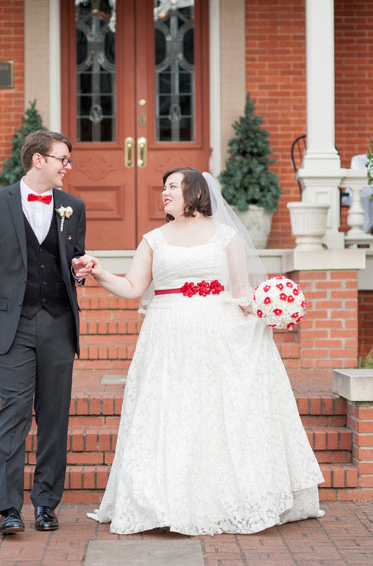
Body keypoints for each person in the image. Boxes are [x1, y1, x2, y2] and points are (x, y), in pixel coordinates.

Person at [82, 167, 324, 535]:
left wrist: (268, 309)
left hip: (217, 334)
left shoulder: (227, 237)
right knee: (168, 411)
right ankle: (161, 502)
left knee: (212, 412)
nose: (165, 193)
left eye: (173, 187)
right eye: (164, 188)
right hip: (167, 335)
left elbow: (241, 292)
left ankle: (218, 499)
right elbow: (132, 287)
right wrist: (100, 273)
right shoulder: (153, 240)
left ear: (196, 192)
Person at [0, 130, 93, 535]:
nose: (67, 167)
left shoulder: (73, 206)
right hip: (10, 326)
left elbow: (71, 262)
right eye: (62, 159)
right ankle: (9, 509)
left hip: (57, 322)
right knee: (13, 414)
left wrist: (79, 271)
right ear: (39, 160)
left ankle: (47, 504)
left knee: (54, 417)